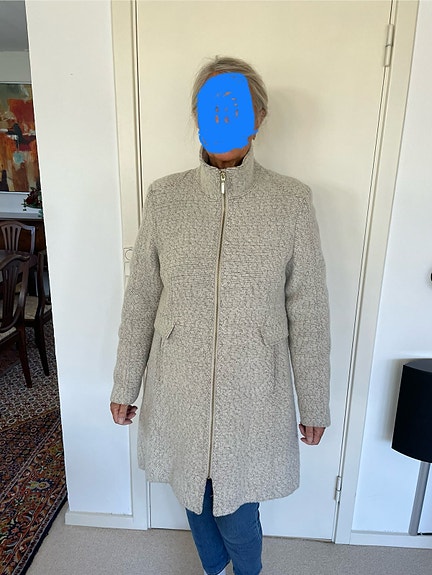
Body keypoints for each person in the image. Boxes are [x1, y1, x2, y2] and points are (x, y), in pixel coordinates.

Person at [110, 56, 330, 575]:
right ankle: (214, 570)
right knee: (194, 491)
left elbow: (309, 309)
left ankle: (247, 571)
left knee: (235, 505)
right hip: (179, 377)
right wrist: (125, 383)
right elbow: (142, 296)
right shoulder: (165, 197)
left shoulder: (291, 201)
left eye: (238, 107)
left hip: (253, 384)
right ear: (198, 116)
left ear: (258, 119)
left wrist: (314, 402)